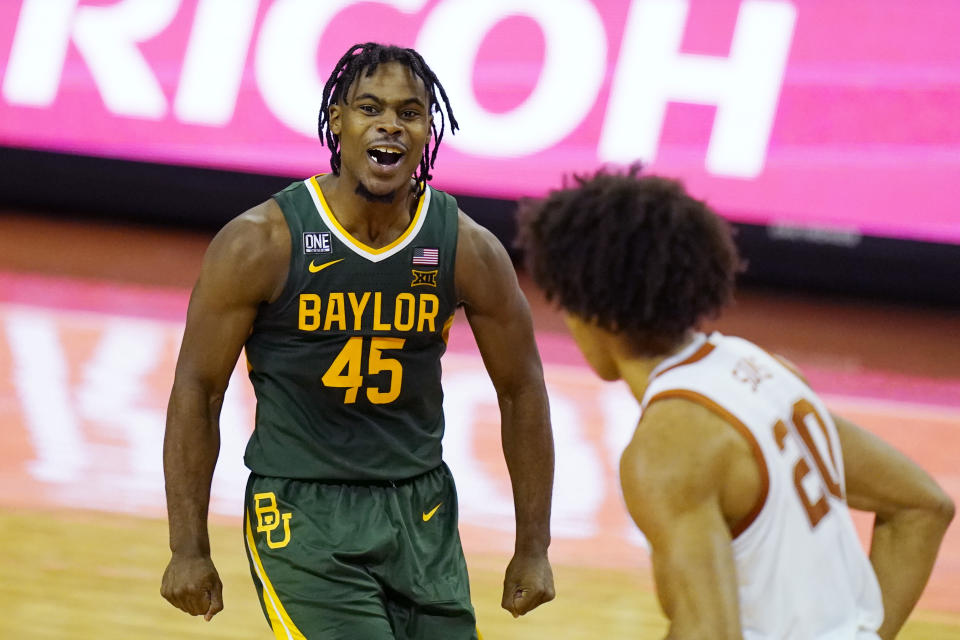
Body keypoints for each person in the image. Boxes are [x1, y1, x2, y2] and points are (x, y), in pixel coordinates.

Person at [160, 42, 555, 639]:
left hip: (421, 513)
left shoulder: (467, 248)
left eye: (409, 112)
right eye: (370, 108)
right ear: (338, 121)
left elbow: (523, 390)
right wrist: (187, 547)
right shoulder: (259, 242)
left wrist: (534, 545)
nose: (390, 125)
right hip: (303, 512)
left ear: (430, 129)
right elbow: (198, 388)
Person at [516, 165, 954, 639]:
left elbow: (709, 634)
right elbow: (923, 507)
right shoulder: (765, 369)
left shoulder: (668, 448)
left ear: (595, 313)